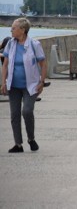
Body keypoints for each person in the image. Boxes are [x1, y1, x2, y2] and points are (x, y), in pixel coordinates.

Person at [1, 18, 47, 153]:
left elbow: (43, 64)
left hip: (30, 85)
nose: (11, 30)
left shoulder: (34, 44)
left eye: (14, 28)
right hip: (13, 86)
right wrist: (3, 82)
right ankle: (18, 144)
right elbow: (5, 64)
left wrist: (42, 82)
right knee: (14, 114)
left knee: (27, 111)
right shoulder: (10, 43)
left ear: (22, 30)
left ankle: (31, 139)